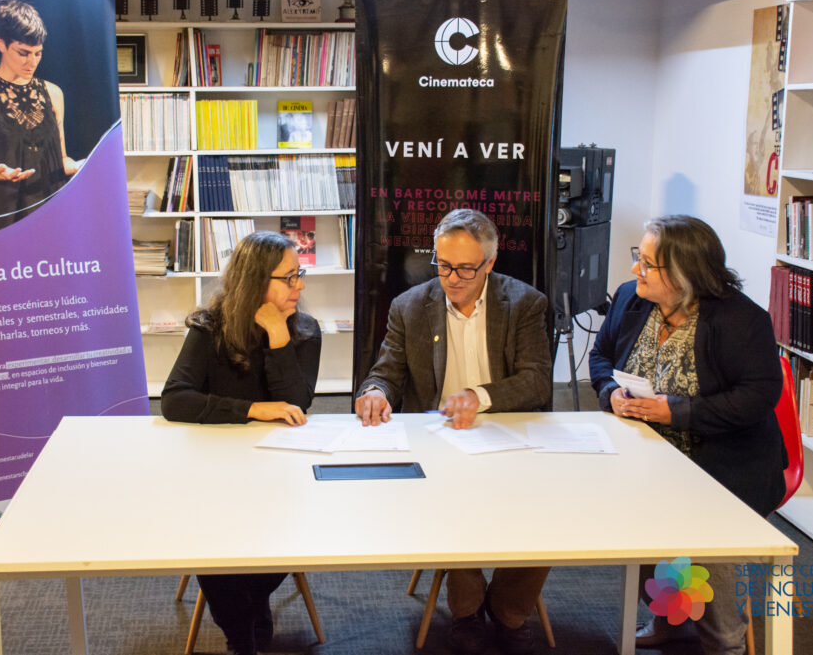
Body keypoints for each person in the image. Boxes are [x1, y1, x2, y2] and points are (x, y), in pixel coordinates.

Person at [355, 208, 551, 655]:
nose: (453, 278)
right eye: (444, 265)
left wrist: (477, 396)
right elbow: (386, 373)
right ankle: (466, 611)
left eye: (466, 268)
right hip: (441, 440)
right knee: (452, 498)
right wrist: (375, 392)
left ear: (490, 263)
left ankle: (508, 609)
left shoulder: (524, 303)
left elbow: (537, 380)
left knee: (547, 510)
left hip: (509, 433)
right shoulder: (410, 306)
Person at [589, 215, 787, 655]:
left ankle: (725, 642)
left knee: (703, 538)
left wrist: (675, 411)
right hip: (643, 458)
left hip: (723, 465)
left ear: (683, 275)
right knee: (630, 528)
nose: (635, 271)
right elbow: (600, 356)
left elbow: (758, 396)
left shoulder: (741, 319)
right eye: (637, 258)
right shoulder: (630, 298)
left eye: (647, 263)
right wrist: (611, 393)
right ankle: (672, 618)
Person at [161, 230, 321, 655]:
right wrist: (252, 409)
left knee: (284, 538)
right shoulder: (210, 327)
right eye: (289, 277)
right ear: (255, 281)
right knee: (214, 540)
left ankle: (243, 621)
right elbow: (175, 399)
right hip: (216, 471)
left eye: (298, 274)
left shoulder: (303, 330)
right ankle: (242, 635)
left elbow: (298, 403)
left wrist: (278, 337)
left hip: (281, 475)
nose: (300, 286)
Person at [0, 0, 82, 226]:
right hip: (2, 212)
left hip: (49, 210)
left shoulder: (53, 93)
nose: (31, 62)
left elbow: (60, 158)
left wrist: (79, 165)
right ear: (0, 44)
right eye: (23, 53)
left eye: (38, 53)